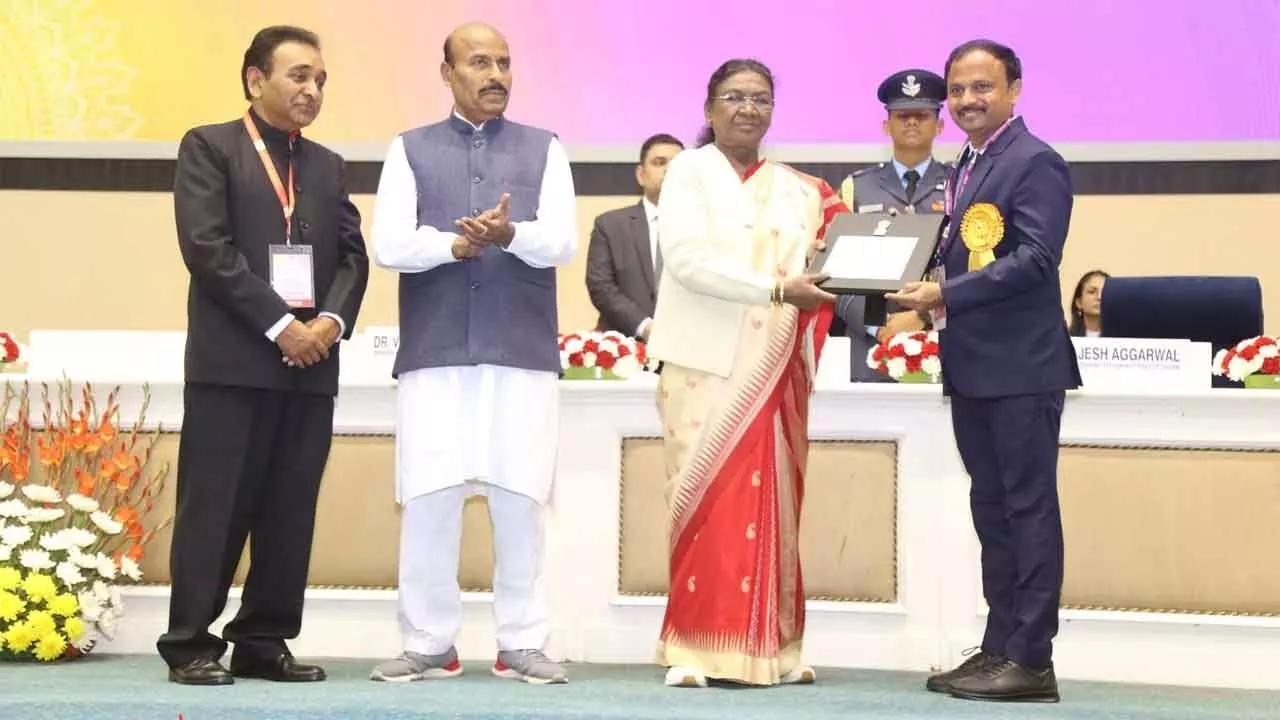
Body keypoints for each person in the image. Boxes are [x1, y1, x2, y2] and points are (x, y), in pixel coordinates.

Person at [158, 25, 369, 685]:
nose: (312, 90)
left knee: (289, 509)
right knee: (214, 507)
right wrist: (283, 325)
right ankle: (190, 642)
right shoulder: (210, 147)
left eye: (320, 81)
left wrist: (328, 323)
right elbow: (208, 250)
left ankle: (263, 639)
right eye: (299, 76)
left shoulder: (328, 165)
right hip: (233, 365)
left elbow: (353, 257)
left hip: (311, 367)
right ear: (256, 79)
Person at [367, 22, 575, 685]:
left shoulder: (546, 149)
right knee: (431, 495)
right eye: (479, 62)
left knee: (520, 498)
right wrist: (451, 246)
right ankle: (429, 642)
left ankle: (522, 641)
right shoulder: (410, 150)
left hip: (521, 349)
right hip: (437, 351)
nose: (496, 75)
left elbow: (562, 242)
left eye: (505, 63)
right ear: (447, 72)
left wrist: (509, 233)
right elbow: (390, 245)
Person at [886, 39, 1080, 703]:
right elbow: (966, 259)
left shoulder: (1035, 162)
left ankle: (1032, 659)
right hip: (974, 367)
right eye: (959, 90)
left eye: (982, 87)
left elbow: (1034, 259)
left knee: (1026, 512)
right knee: (992, 512)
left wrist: (943, 295)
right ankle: (1000, 646)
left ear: (1015, 89)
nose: (968, 100)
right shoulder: (967, 165)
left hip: (1022, 369)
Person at [645, 58, 845, 689]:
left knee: (774, 508)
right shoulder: (687, 172)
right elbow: (686, 261)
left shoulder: (800, 189)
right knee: (703, 502)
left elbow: (830, 261)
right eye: (734, 96)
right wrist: (778, 290)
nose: (748, 108)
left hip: (775, 367)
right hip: (704, 361)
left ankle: (775, 649)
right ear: (709, 109)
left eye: (761, 98)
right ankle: (693, 650)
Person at [835, 69, 950, 381]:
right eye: (902, 116)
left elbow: (971, 270)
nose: (911, 123)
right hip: (870, 344)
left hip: (944, 338)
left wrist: (923, 315)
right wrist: (879, 327)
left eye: (922, 115)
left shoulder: (960, 185)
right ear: (887, 125)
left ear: (939, 124)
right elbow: (834, 277)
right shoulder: (856, 188)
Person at [586, 133, 684, 339]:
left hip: (688, 346)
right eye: (659, 163)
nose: (668, 170)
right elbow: (601, 286)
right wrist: (645, 327)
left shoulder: (703, 226)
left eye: (678, 165)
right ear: (641, 174)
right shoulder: (610, 225)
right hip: (626, 344)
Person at [1068, 269, 1109, 336]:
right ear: (1079, 302)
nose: (1099, 297)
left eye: (1105, 291)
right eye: (1092, 292)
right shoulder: (1063, 339)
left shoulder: (1124, 339)